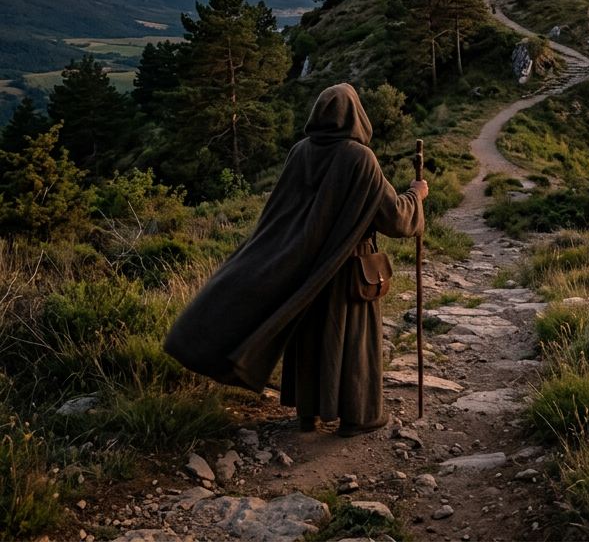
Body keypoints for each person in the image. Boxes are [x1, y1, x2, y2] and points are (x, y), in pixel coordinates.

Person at [164, 83, 427, 436]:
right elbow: (394, 218)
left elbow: (282, 214)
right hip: (347, 267)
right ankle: (356, 418)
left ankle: (308, 415)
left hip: (303, 268)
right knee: (352, 341)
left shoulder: (300, 152)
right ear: (356, 116)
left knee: (311, 339)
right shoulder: (360, 158)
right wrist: (416, 194)